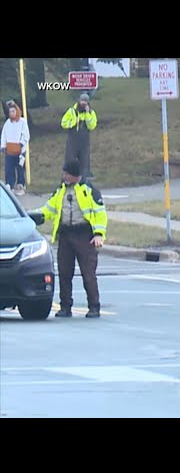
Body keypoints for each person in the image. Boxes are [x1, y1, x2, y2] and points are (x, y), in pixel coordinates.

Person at [36, 160, 108, 318]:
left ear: (75, 175)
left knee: (88, 273)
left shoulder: (89, 190)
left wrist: (98, 234)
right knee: (64, 272)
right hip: (66, 235)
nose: (64, 176)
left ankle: (94, 306)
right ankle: (65, 306)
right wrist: (34, 217)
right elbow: (49, 208)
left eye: (67, 173)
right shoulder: (60, 190)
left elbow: (100, 214)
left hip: (84, 236)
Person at [61, 93, 97, 179]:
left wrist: (88, 114)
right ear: (79, 101)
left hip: (84, 141)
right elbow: (63, 123)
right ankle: (67, 179)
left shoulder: (91, 112)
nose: (83, 103)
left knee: (84, 162)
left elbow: (92, 126)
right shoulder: (71, 111)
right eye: (82, 101)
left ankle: (83, 179)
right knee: (70, 160)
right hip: (72, 141)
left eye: (85, 101)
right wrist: (74, 122)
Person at [1, 100, 30, 196]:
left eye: (13, 111)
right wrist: (3, 146)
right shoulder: (7, 123)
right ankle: (10, 185)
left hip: (20, 150)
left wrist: (21, 144)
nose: (12, 113)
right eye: (10, 112)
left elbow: (26, 135)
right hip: (10, 150)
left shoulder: (22, 122)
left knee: (20, 168)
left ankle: (21, 184)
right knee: (9, 168)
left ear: (17, 111)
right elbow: (4, 135)